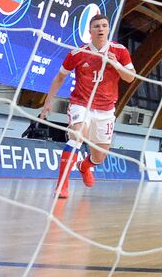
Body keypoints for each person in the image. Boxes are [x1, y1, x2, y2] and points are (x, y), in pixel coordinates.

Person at [38, 15, 135, 199]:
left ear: (108, 29)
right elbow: (60, 77)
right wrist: (48, 101)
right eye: (97, 26)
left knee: (99, 157)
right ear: (90, 31)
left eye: (104, 26)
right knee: (77, 136)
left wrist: (115, 64)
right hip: (81, 104)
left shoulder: (120, 51)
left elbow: (130, 77)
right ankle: (62, 186)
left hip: (106, 109)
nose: (101, 29)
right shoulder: (77, 53)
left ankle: (85, 166)